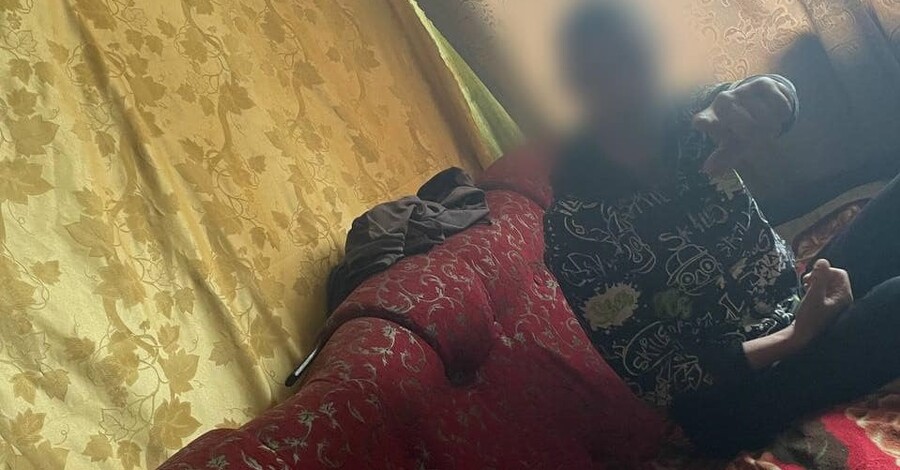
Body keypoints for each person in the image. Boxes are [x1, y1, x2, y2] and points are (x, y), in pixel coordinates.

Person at [543, 0, 900, 457]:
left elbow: (753, 99)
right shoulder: (574, 227)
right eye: (605, 72)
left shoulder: (690, 123)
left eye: (637, 60)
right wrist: (797, 336)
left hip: (795, 299)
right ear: (576, 87)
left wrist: (774, 96)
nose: (632, 84)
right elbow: (661, 378)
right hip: (736, 395)